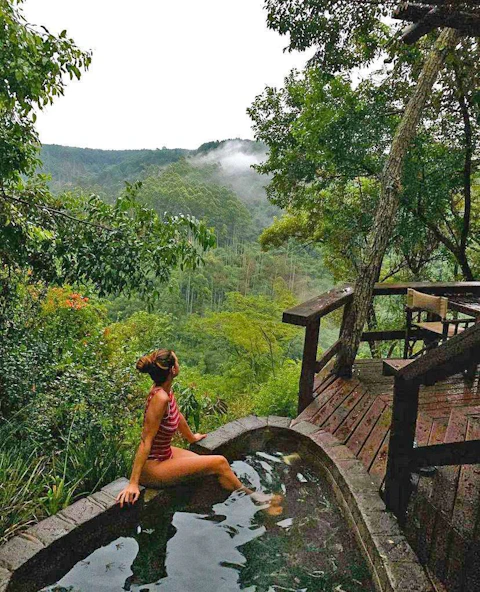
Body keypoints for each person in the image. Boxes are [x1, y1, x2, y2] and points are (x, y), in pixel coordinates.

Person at [115, 349, 282, 513]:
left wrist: (192, 438)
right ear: (173, 370)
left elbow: (177, 416)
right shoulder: (160, 398)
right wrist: (133, 483)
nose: (179, 363)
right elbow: (146, 440)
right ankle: (256, 499)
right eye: (177, 360)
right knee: (220, 462)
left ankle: (223, 502)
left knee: (208, 468)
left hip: (165, 454)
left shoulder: (166, 390)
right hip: (153, 465)